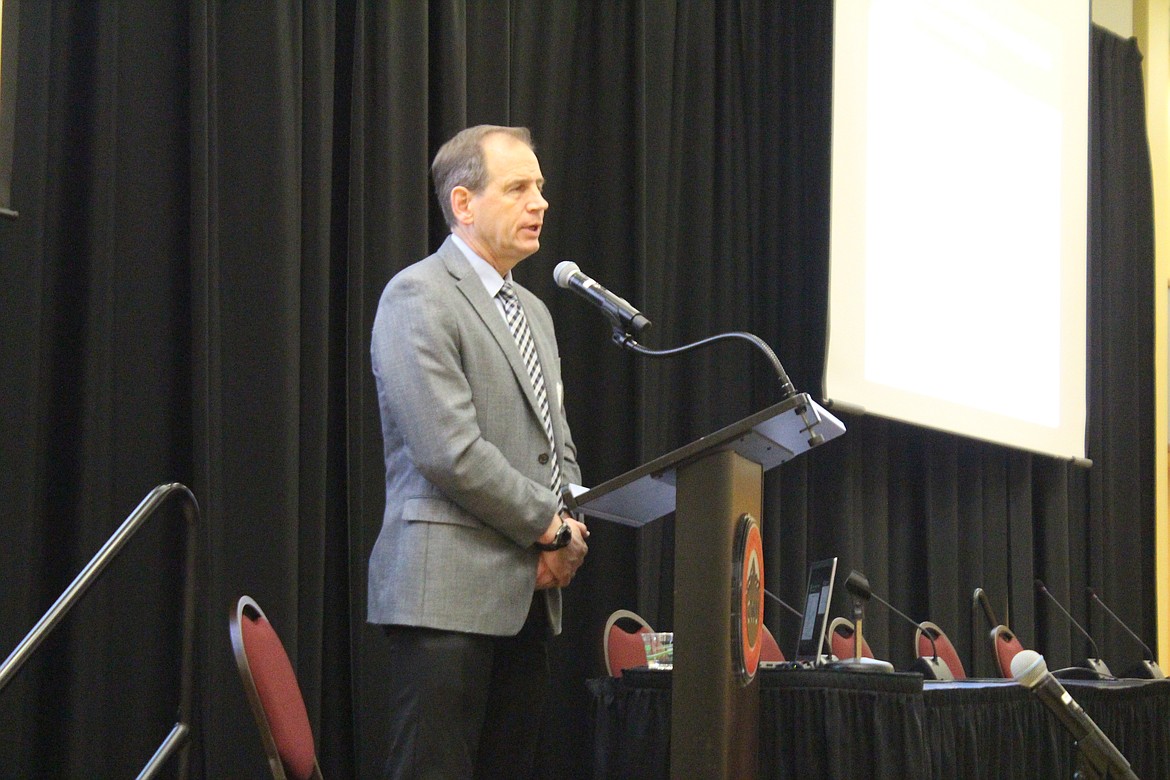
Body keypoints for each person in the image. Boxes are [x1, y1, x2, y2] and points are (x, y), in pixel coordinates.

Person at [368, 124, 589, 779]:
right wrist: (546, 527)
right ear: (463, 204)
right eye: (519, 187)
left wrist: (571, 523)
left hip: (529, 593)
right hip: (446, 596)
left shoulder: (535, 313)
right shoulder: (418, 296)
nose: (540, 202)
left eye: (541, 187)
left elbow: (558, 445)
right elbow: (449, 451)